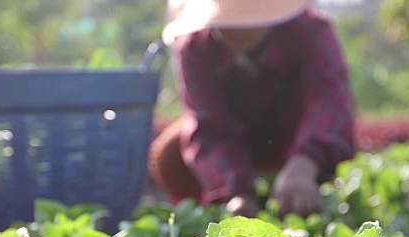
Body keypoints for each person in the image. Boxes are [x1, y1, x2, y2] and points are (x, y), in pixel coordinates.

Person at [149, 0, 357, 218]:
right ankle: (207, 214)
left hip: (296, 134)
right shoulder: (194, 46)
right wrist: (234, 192)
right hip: (240, 139)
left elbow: (330, 102)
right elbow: (210, 125)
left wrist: (306, 163)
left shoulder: (312, 31)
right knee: (171, 152)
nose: (234, 29)